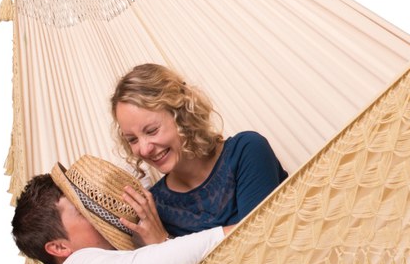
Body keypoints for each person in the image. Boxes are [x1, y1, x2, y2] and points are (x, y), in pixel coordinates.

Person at [11, 155, 230, 264]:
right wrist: (232, 233)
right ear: (59, 247)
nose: (98, 214)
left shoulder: (108, 256)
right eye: (82, 211)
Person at [111, 63, 288, 236]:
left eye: (152, 131)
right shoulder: (155, 208)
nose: (144, 150)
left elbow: (259, 242)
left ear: (181, 115)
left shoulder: (246, 151)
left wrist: (163, 246)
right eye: (132, 139)